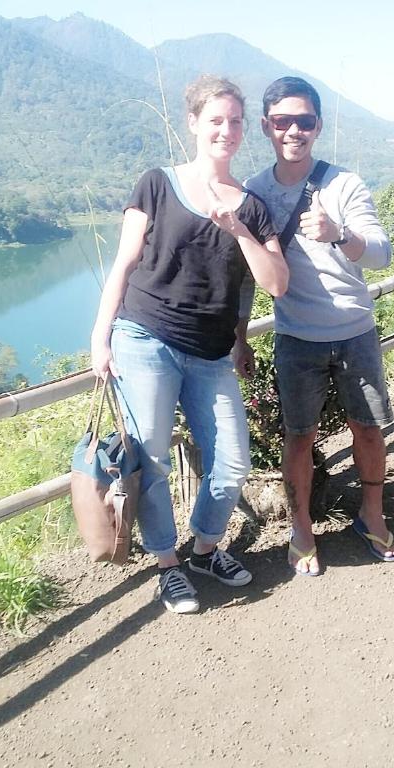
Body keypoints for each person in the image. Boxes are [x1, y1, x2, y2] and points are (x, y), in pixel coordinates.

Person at [88, 75, 287, 614]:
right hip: (143, 337)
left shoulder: (252, 207)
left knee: (234, 461)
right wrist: (100, 337)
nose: (226, 130)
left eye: (235, 121)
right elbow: (124, 263)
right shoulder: (157, 183)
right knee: (151, 459)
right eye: (215, 120)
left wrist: (239, 230)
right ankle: (166, 564)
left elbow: (272, 284)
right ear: (194, 123)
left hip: (212, 352)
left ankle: (203, 549)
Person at [245, 76, 394, 576]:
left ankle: (371, 515)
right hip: (296, 336)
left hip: (354, 331)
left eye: (304, 121)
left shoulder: (344, 184)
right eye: (282, 121)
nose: (293, 130)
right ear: (266, 126)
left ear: (317, 126)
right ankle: (301, 529)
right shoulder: (254, 192)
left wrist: (339, 234)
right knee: (298, 437)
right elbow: (245, 273)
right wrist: (238, 336)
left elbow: (380, 254)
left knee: (369, 430)